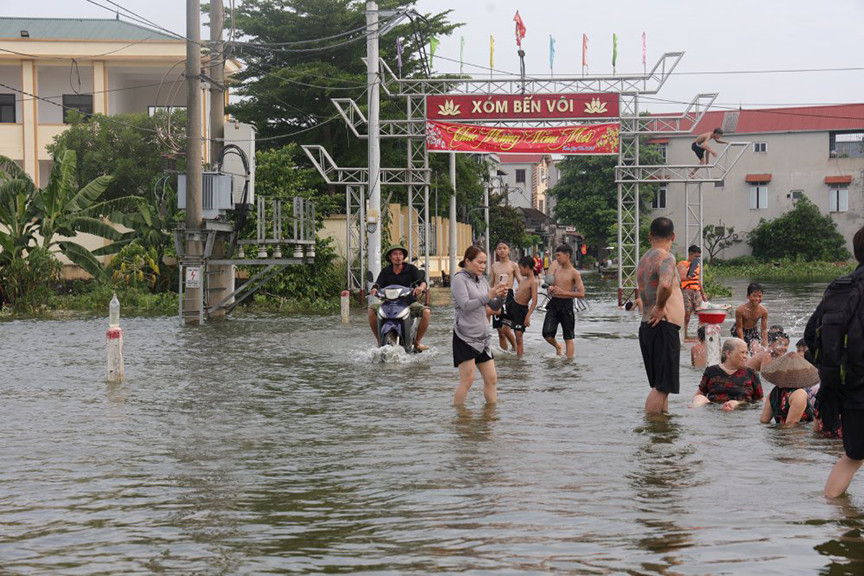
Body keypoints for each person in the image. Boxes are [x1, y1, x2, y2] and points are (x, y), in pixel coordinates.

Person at [806, 225, 864, 497]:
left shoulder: (841, 288)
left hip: (849, 387)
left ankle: (838, 524)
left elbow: (810, 335)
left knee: (853, 456)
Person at [635, 217, 685, 414]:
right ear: (673, 236)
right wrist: (660, 306)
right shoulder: (666, 257)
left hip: (648, 326)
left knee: (661, 386)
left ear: (650, 236)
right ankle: (653, 434)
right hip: (663, 325)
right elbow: (664, 285)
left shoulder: (643, 260)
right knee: (662, 387)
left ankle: (661, 435)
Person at [451, 245, 508, 405]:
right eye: (479, 262)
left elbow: (494, 306)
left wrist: (501, 297)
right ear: (467, 261)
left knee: (492, 379)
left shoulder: (482, 281)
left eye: (485, 263)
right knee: (468, 380)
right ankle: (460, 417)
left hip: (483, 337)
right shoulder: (459, 279)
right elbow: (465, 305)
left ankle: (490, 418)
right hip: (465, 336)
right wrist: (489, 295)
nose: (483, 266)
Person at [367, 244, 430, 352]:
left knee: (426, 312)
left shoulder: (411, 269)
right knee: (371, 310)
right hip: (388, 303)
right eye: (395, 254)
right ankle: (379, 341)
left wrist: (421, 287)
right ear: (390, 257)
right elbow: (378, 284)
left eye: (400, 254)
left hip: (409, 303)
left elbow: (423, 282)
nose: (398, 256)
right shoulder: (386, 271)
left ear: (403, 256)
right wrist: (374, 290)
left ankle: (417, 342)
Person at [692, 338, 763, 411]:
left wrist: (737, 404)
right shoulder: (711, 371)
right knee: (699, 398)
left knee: (733, 403)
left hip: (740, 407)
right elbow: (699, 394)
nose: (745, 356)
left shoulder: (751, 373)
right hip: (715, 409)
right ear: (728, 354)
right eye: (742, 352)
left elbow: (759, 400)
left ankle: (730, 405)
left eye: (746, 353)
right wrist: (698, 401)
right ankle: (692, 413)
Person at [542, 244, 585, 358]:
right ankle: (558, 346)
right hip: (554, 303)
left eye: (559, 255)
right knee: (546, 333)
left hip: (566, 305)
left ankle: (569, 363)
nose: (557, 258)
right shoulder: (556, 270)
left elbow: (581, 294)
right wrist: (550, 288)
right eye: (556, 255)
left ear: (567, 255)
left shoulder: (575, 273)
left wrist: (564, 293)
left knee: (568, 336)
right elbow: (550, 285)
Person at [759, 353, 819, 427]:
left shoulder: (773, 392)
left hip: (778, 435)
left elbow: (764, 420)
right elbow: (790, 426)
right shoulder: (799, 394)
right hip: (797, 436)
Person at [490, 240, 521, 352]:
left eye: (504, 248)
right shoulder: (494, 266)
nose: (502, 250)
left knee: (506, 329)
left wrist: (519, 291)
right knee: (499, 330)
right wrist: (487, 295)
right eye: (499, 248)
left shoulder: (513, 265)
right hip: (496, 296)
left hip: (508, 297)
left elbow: (520, 281)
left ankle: (515, 348)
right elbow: (492, 282)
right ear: (496, 251)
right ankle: (505, 355)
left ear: (509, 250)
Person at [677, 245, 708, 340]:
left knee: (702, 314)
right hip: (686, 291)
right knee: (687, 315)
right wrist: (689, 270)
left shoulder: (697, 266)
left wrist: (703, 293)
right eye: (696, 256)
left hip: (696, 291)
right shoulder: (682, 264)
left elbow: (697, 280)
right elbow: (680, 277)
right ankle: (684, 335)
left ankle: (701, 336)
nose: (697, 258)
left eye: (699, 257)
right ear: (690, 255)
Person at [510, 255, 538, 358]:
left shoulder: (533, 282)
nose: (519, 271)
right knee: (507, 328)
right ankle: (516, 352)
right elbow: (521, 291)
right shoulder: (523, 280)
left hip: (522, 309)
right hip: (514, 306)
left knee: (519, 336)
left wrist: (528, 316)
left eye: (520, 268)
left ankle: (520, 359)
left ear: (526, 267)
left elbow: (534, 301)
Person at [731, 282, 768, 352]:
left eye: (760, 296)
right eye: (754, 296)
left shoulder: (763, 311)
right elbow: (739, 329)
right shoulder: (740, 310)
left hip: (753, 330)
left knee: (755, 349)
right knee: (741, 350)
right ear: (748, 296)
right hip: (739, 329)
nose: (757, 299)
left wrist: (765, 346)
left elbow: (764, 330)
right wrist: (742, 344)